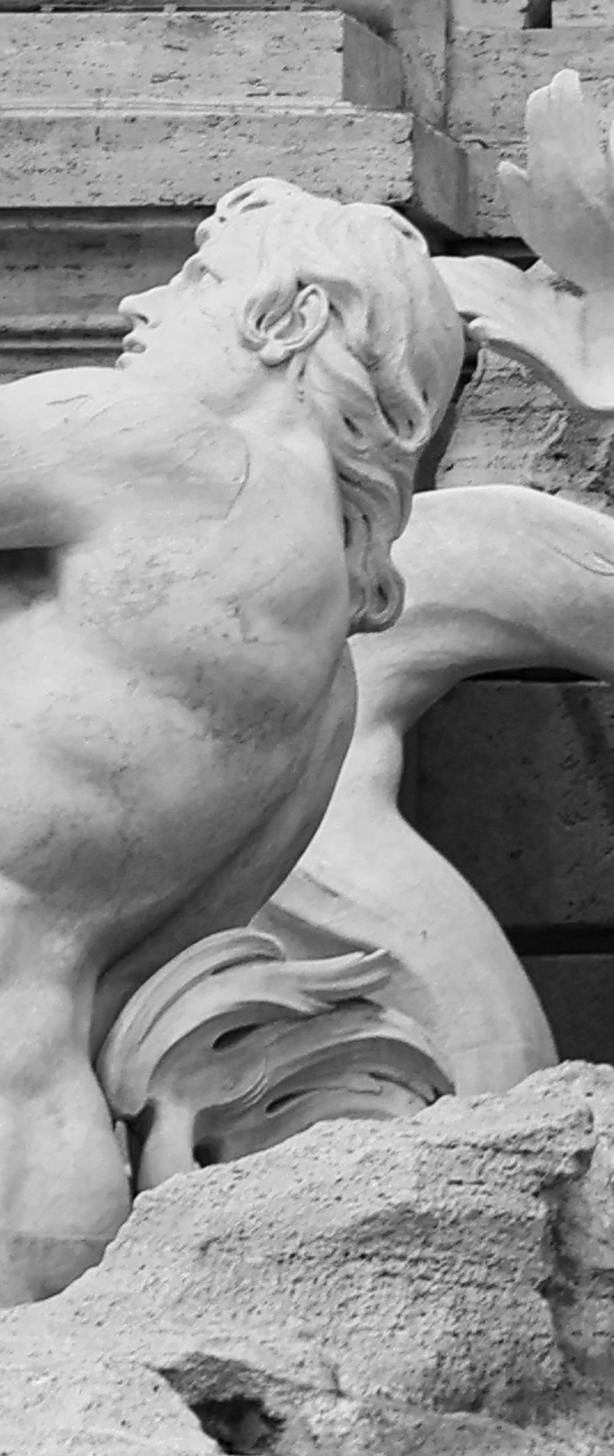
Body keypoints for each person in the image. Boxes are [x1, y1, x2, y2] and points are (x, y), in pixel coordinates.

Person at [0, 183, 467, 1298]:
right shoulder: (326, 678)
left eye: (196, 279)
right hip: (46, 1126)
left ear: (286, 320)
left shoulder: (158, 449)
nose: (139, 301)